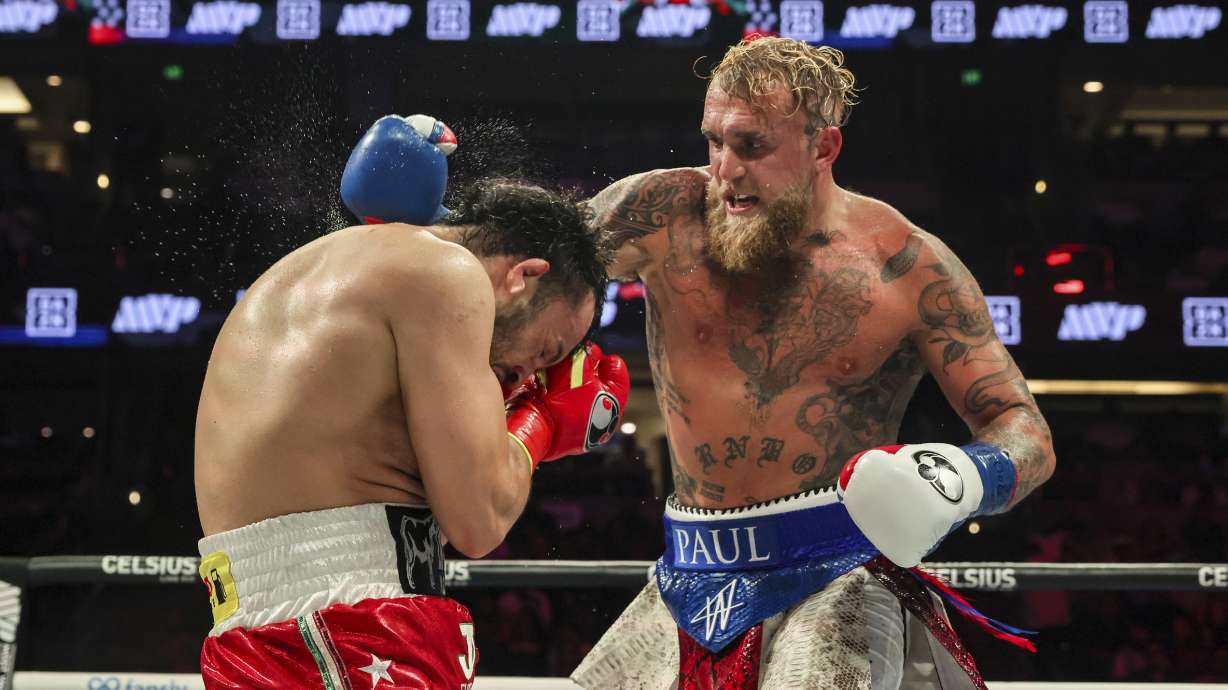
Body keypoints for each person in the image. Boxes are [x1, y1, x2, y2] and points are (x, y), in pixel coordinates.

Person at [571, 37, 1056, 690]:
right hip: (686, 577)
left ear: (823, 148)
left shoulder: (905, 265)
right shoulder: (665, 215)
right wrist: (406, 225)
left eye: (751, 146)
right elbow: (532, 267)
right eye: (713, 141)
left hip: (840, 572)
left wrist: (966, 474)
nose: (724, 170)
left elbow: (1023, 428)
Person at [194, 114, 629, 689]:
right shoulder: (448, 274)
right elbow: (479, 523)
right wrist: (543, 422)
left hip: (269, 631)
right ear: (524, 275)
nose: (529, 377)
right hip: (350, 629)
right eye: (546, 351)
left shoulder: (333, 265)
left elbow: (410, 518)